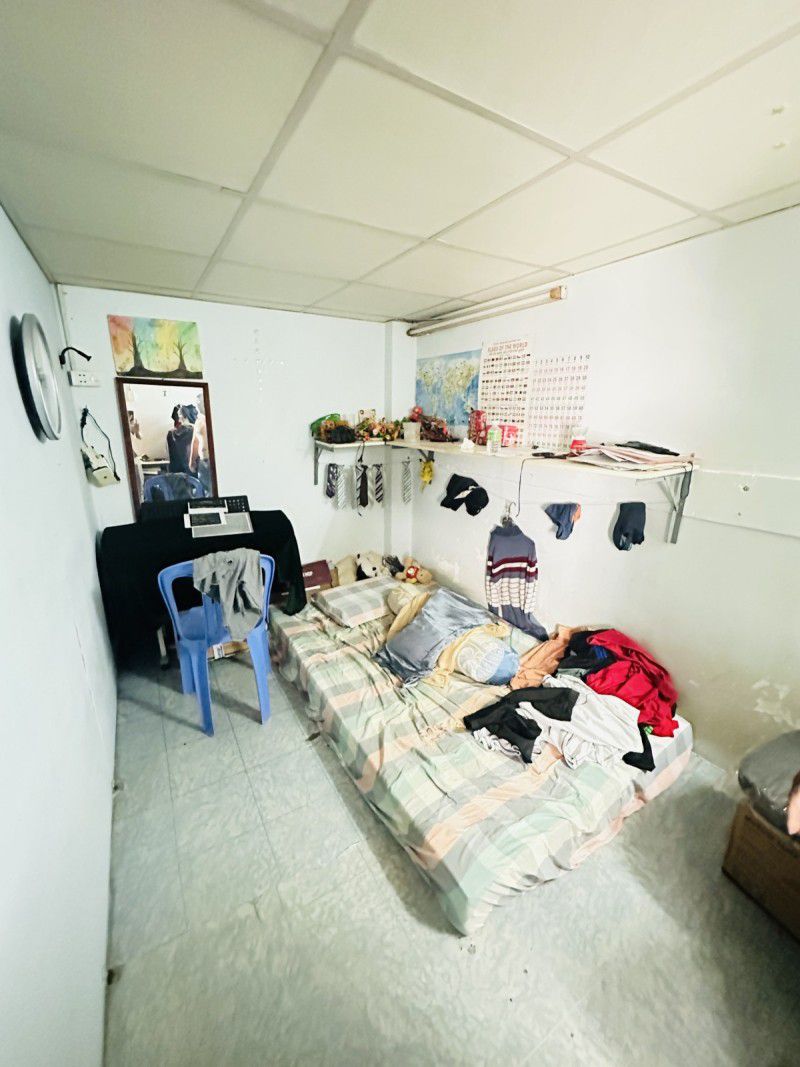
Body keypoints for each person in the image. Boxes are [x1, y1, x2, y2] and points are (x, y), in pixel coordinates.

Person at [190, 393, 211, 494]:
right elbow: (195, 442)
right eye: (197, 403)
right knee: (205, 493)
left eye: (201, 402)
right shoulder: (198, 421)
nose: (198, 405)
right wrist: (192, 461)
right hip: (203, 462)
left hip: (214, 461)